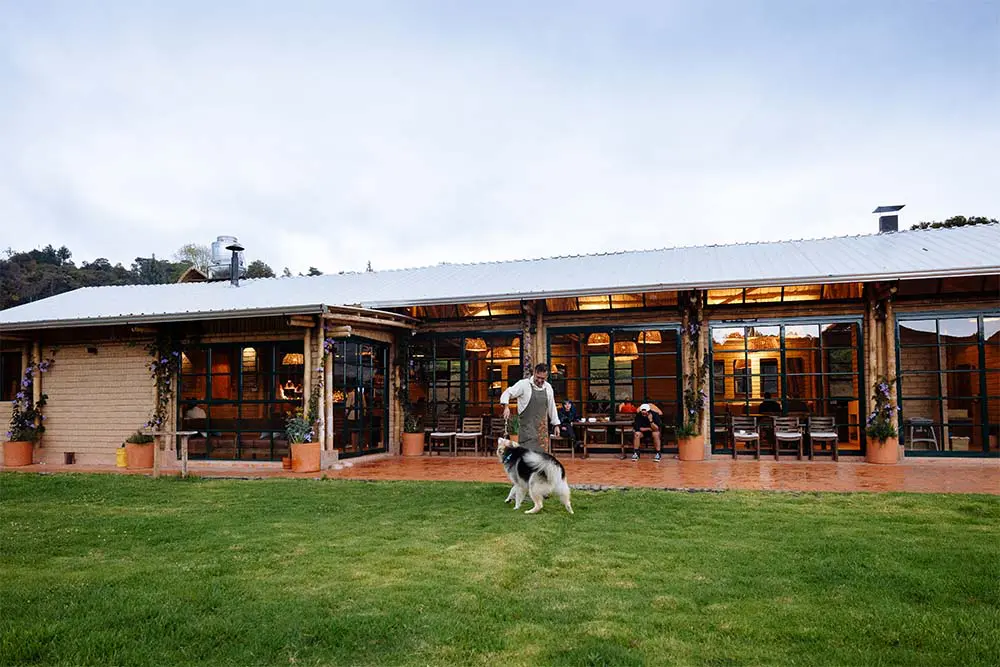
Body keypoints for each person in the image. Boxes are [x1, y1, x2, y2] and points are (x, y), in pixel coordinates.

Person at [500, 363, 561, 452]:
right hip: (526, 432)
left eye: (542, 378)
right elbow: (508, 392)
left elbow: (552, 407)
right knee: (526, 457)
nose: (539, 380)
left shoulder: (548, 388)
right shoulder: (523, 384)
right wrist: (506, 406)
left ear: (546, 377)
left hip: (541, 434)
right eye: (538, 377)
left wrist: (556, 425)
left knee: (540, 458)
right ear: (534, 373)